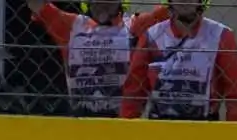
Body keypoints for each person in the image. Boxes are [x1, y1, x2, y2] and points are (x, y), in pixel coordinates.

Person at [26, 0, 171, 116]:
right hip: (82, 118)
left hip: (124, 119)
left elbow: (173, 8)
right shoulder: (72, 25)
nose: (102, 3)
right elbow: (37, 4)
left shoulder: (135, 24)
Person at [119, 0, 237, 120]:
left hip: (206, 128)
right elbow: (134, 92)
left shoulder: (221, 35)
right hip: (160, 127)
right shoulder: (152, 36)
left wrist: (235, 136)